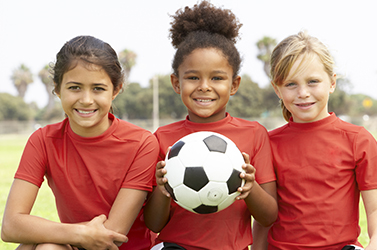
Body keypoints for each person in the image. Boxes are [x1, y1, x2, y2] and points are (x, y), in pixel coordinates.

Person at [1, 35, 159, 250]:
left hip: (119, 247)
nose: (86, 99)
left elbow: (113, 233)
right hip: (78, 243)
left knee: (44, 244)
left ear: (116, 89)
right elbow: (10, 225)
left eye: (98, 88)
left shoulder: (142, 143)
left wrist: (48, 232)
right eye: (75, 87)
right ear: (57, 89)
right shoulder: (43, 140)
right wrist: (77, 233)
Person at [143, 1, 278, 249]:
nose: (204, 86)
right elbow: (153, 224)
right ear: (176, 83)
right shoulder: (162, 138)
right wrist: (161, 189)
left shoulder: (254, 134)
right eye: (193, 77)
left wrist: (251, 187)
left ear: (234, 84)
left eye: (217, 78)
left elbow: (269, 216)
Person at [252, 31, 377, 250]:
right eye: (291, 84)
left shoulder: (358, 140)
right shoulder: (266, 144)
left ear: (332, 82)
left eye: (313, 82)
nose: (303, 93)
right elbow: (264, 218)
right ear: (276, 89)